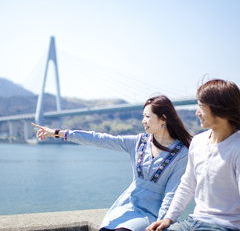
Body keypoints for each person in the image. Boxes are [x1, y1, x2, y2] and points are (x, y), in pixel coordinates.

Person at [32, 95, 192, 231]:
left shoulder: (181, 152)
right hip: (127, 205)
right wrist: (58, 133)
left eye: (147, 116)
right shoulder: (138, 142)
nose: (143, 121)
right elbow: (100, 139)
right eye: (143, 116)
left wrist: (162, 222)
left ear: (163, 118)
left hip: (151, 212)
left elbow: (172, 193)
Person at [146, 79, 240, 231]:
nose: (197, 112)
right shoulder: (198, 141)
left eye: (201, 107)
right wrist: (168, 218)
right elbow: (187, 184)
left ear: (220, 109)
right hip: (194, 222)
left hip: (224, 226)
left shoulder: (237, 147)